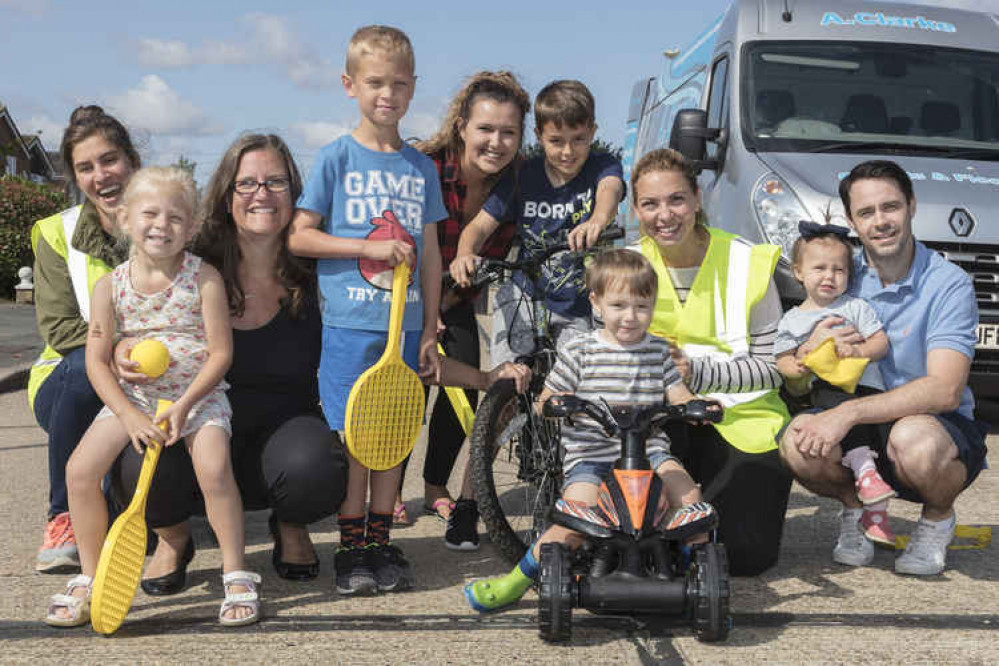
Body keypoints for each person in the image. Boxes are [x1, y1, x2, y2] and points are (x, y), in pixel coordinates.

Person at [113, 133, 349, 588]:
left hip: (284, 430)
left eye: (276, 182)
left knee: (317, 469)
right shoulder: (192, 266)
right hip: (194, 428)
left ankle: (290, 523)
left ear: (294, 194)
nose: (261, 193)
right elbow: (133, 305)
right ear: (226, 195)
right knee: (133, 462)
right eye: (247, 183)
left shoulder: (319, 269)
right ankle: (173, 537)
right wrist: (123, 349)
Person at [45, 167, 260, 628]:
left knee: (214, 468)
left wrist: (184, 406)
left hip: (198, 399)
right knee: (79, 472)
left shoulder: (204, 279)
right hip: (135, 402)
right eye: (149, 213)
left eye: (176, 217)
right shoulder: (110, 287)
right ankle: (89, 576)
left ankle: (236, 572)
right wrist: (127, 415)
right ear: (125, 219)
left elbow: (221, 353)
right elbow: (97, 362)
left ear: (193, 226)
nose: (162, 225)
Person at [464, 249, 716, 611]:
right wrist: (556, 403)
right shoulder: (580, 350)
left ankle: (699, 575)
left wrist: (695, 406)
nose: (630, 317)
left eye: (642, 307)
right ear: (596, 304)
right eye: (619, 306)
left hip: (650, 454)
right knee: (576, 514)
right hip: (592, 457)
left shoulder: (658, 351)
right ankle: (515, 582)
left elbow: (678, 392)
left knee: (692, 503)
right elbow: (546, 397)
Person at [288, 25, 445, 596]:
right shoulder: (335, 157)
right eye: (375, 82)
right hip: (350, 329)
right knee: (357, 441)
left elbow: (431, 254)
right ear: (349, 84)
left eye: (400, 84)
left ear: (412, 88)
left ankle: (380, 542)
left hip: (403, 331)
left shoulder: (421, 169)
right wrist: (366, 247)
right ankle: (351, 548)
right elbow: (300, 238)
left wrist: (429, 328)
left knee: (395, 438)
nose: (388, 94)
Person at [779, 160, 988, 575]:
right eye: (866, 212)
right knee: (796, 442)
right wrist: (810, 350)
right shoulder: (840, 276)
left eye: (890, 207)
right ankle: (858, 509)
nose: (881, 222)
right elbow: (796, 369)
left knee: (915, 440)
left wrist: (848, 412)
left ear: (911, 205)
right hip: (862, 432)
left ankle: (936, 517)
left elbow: (945, 391)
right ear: (852, 222)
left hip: (931, 426)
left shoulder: (948, 283)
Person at [629, 148, 792, 576]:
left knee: (744, 559)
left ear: (698, 199)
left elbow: (775, 365)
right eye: (650, 203)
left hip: (741, 419)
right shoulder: (626, 267)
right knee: (640, 546)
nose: (665, 214)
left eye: (676, 199)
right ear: (635, 209)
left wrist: (696, 372)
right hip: (656, 420)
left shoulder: (746, 262)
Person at [409, 71, 531, 550]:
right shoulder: (424, 167)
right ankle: (390, 489)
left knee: (464, 386)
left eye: (508, 132)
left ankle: (436, 486)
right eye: (485, 129)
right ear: (462, 126)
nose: (496, 142)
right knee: (409, 387)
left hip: (459, 298)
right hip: (412, 295)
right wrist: (425, 309)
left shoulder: (519, 181)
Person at [28, 106, 139, 573]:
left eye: (109, 160)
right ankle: (64, 516)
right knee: (81, 367)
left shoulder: (172, 219)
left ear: (132, 160)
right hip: (68, 381)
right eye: (85, 168)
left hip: (149, 377)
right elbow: (60, 328)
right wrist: (119, 350)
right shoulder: (55, 233)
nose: (101, 176)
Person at [451, 79, 626, 366]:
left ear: (593, 132)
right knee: (510, 374)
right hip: (525, 294)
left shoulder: (602, 165)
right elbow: (479, 226)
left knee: (574, 380)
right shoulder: (523, 175)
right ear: (538, 136)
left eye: (579, 139)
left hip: (576, 303)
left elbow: (610, 189)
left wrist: (597, 219)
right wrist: (465, 253)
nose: (568, 151)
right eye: (556, 141)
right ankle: (507, 406)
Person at [774, 221, 894, 546]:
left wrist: (857, 350)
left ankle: (872, 509)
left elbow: (880, 344)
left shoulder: (856, 308)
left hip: (866, 392)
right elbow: (783, 362)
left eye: (838, 270)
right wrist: (804, 357)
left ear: (849, 276)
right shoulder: (793, 319)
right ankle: (868, 491)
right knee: (831, 402)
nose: (829, 276)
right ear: (798, 272)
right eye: (819, 268)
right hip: (827, 396)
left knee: (860, 428)